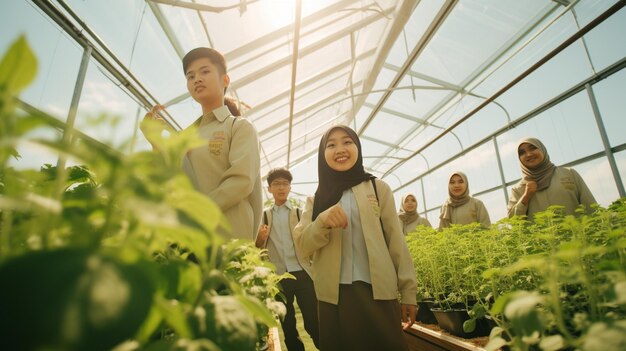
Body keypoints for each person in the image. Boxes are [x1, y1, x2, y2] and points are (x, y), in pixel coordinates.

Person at [293, 125, 417, 351]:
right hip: (334, 298)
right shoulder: (316, 200)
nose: (340, 149)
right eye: (331, 145)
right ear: (323, 154)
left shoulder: (378, 189)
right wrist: (322, 220)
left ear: (358, 147)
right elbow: (303, 245)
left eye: (347, 142)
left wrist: (408, 292)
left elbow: (396, 243)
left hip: (378, 294)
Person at [141, 47, 263, 240]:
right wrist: (155, 142)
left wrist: (194, 213)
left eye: (205, 71)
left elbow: (241, 181)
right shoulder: (184, 137)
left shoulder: (238, 126)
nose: (197, 79)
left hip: (229, 237)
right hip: (188, 241)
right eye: (190, 76)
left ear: (225, 80)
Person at [255, 168, 320, 351]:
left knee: (314, 323)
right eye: (276, 184)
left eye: (285, 183)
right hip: (279, 277)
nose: (281, 187)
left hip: (303, 274)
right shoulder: (264, 216)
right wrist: (260, 237)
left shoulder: (300, 213)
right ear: (269, 189)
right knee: (288, 326)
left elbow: (311, 240)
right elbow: (257, 246)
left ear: (290, 187)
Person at [507, 137, 596, 220]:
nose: (529, 154)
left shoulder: (569, 173)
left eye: (533, 148)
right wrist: (526, 196)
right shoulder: (518, 189)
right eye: (522, 152)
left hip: (578, 235)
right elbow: (512, 221)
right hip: (540, 237)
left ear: (542, 149)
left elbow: (591, 207)